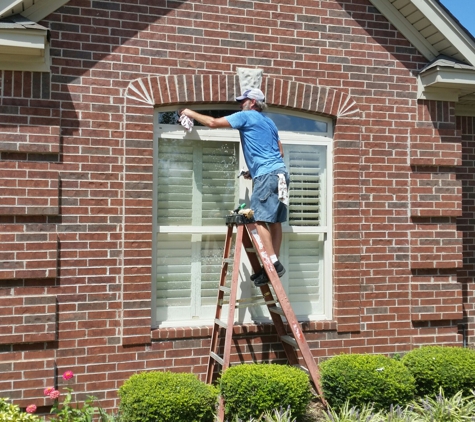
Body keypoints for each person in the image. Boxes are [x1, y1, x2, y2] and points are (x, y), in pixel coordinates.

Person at [180, 88, 290, 287]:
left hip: (268, 175)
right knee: (275, 220)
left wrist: (189, 112)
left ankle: (273, 264)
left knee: (258, 218)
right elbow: (280, 151)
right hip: (281, 175)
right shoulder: (270, 122)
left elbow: (213, 123)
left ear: (253, 103)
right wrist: (253, 171)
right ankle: (274, 264)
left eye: (243, 101)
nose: (241, 104)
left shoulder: (246, 116)